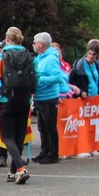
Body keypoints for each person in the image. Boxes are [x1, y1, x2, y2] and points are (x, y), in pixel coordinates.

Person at [0, 27, 38, 184]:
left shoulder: (1, 57)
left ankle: (21, 168)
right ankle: (13, 172)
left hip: (6, 100)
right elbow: (35, 78)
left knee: (7, 136)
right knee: (19, 135)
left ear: (7, 38)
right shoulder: (29, 56)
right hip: (24, 100)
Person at [32, 33, 79, 164]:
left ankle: (53, 153)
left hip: (49, 97)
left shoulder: (51, 59)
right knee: (41, 126)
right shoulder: (40, 58)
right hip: (40, 97)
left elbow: (58, 77)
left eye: (35, 42)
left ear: (41, 44)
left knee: (49, 126)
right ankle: (45, 150)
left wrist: (39, 80)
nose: (33, 45)